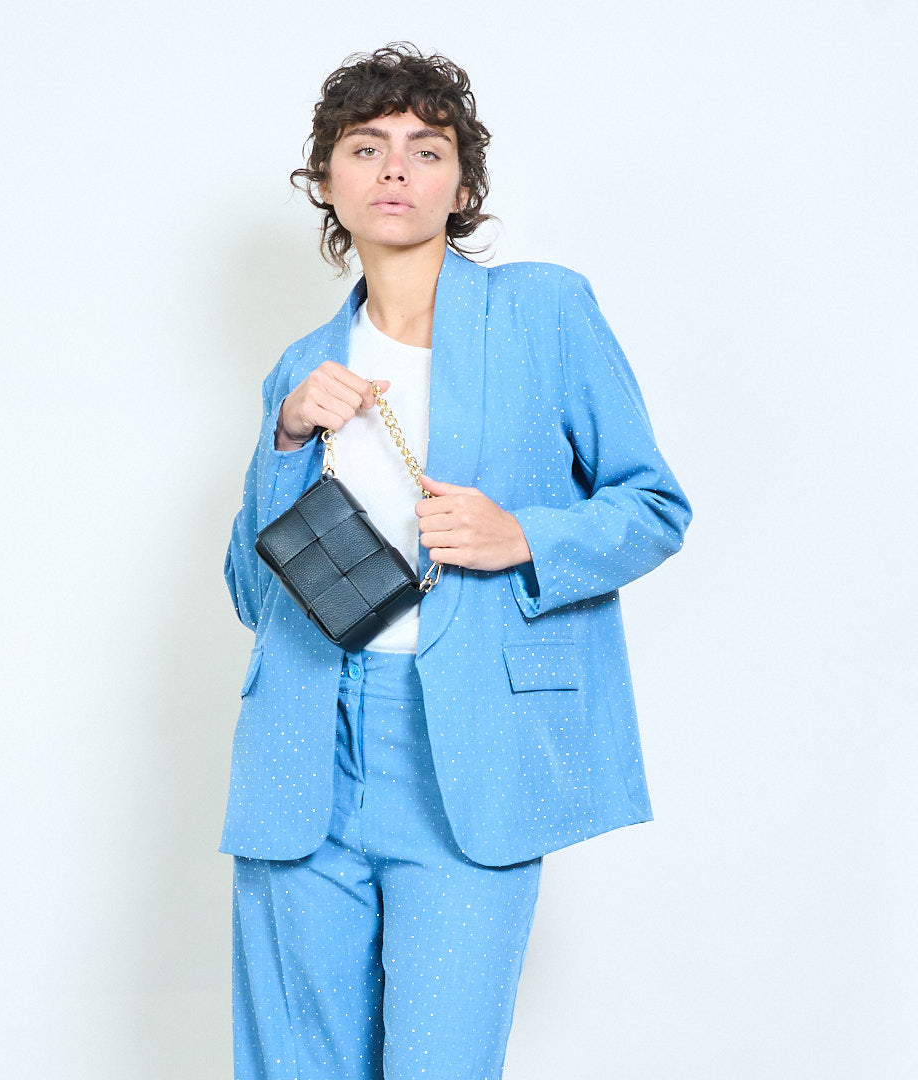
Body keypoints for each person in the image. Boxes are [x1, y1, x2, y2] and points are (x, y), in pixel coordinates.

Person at [222, 43, 691, 1080]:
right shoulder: (302, 366)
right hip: (303, 747)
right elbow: (255, 594)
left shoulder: (544, 311)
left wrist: (523, 536)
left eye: (426, 149)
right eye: (366, 147)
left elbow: (655, 506)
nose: (395, 168)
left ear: (462, 187)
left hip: (465, 748)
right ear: (326, 181)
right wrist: (287, 441)